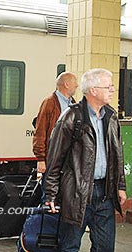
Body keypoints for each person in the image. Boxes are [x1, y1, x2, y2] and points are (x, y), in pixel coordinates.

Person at [45, 68, 127, 251]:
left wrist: (120, 186)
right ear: (93, 90)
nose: (113, 90)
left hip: (105, 193)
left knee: (105, 248)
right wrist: (50, 194)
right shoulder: (71, 116)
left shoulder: (111, 117)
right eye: (109, 86)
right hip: (76, 193)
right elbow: (55, 159)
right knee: (69, 246)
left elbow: (117, 156)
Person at [33, 71, 78, 174]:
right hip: (53, 157)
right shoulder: (49, 103)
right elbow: (40, 131)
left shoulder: (73, 103)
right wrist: (41, 159)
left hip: (68, 158)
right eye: (74, 82)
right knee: (50, 187)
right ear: (66, 84)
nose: (77, 85)